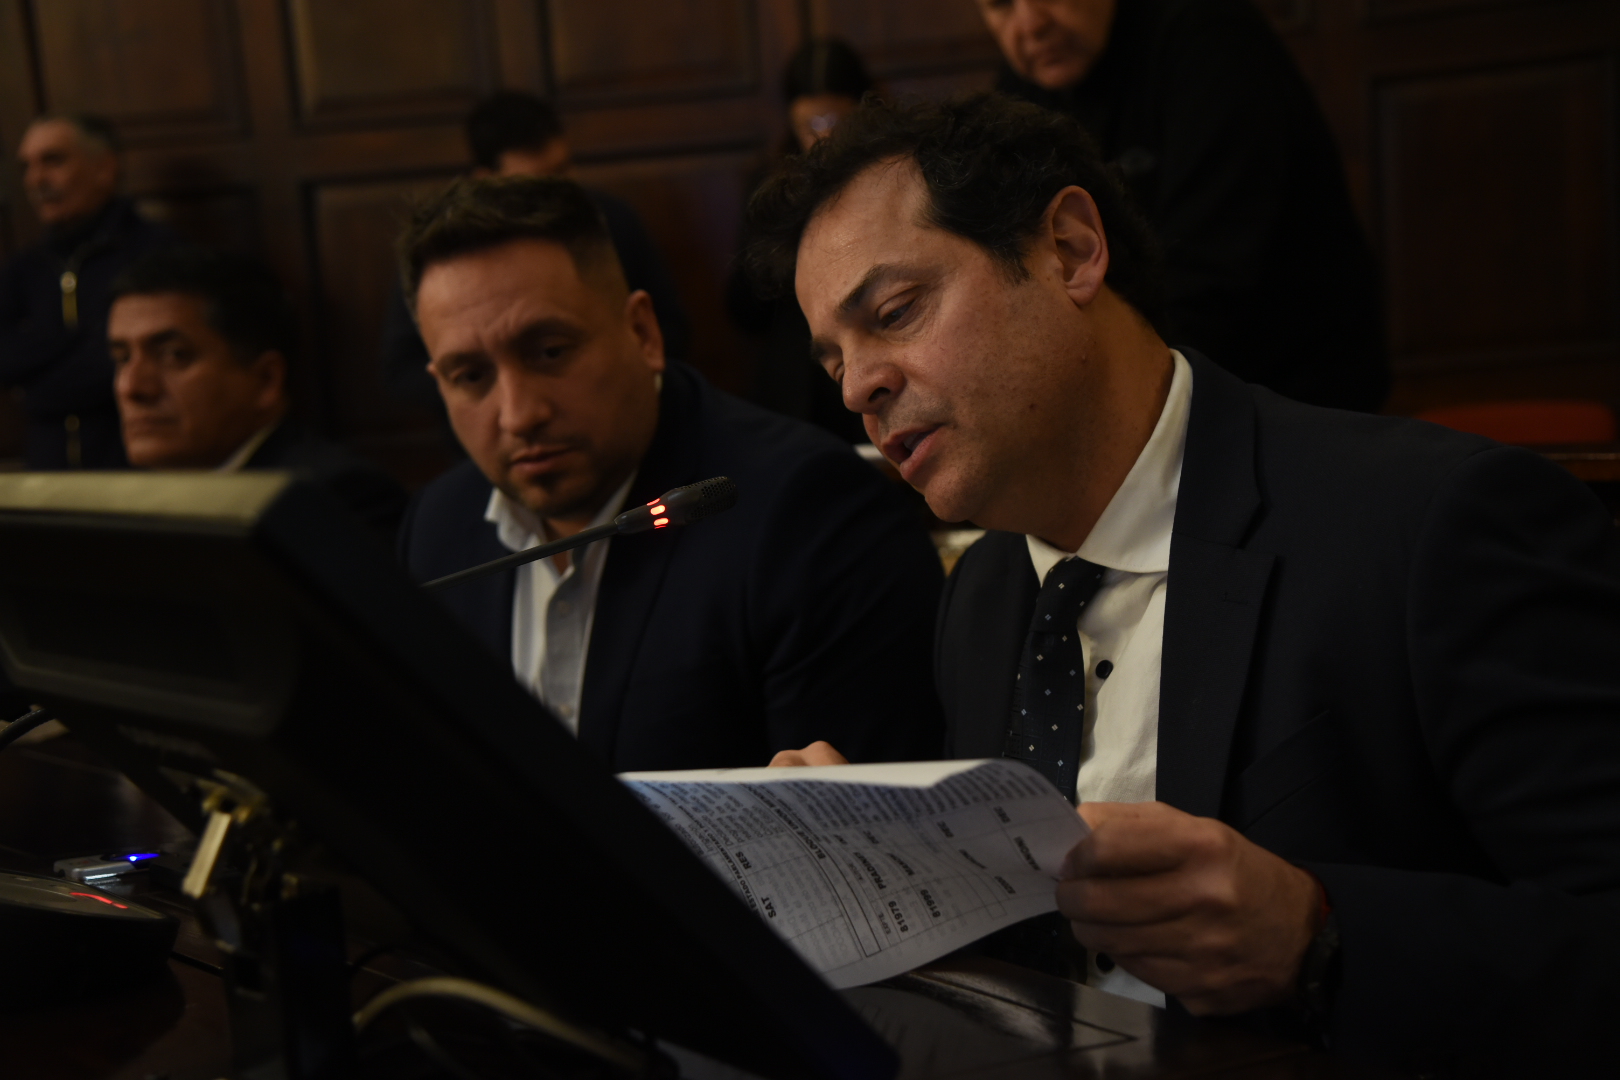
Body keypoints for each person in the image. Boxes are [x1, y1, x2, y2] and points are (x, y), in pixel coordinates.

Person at [746, 93, 1620, 1074]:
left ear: (1071, 250)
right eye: (835, 360)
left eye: (894, 313)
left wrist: (1319, 935)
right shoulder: (982, 592)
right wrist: (875, 881)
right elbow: (1043, 965)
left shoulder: (1434, 523)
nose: (858, 386)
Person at [396, 176, 943, 771]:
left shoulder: (812, 514)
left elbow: (858, 817)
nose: (518, 415)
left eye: (550, 352)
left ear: (643, 332)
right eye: (471, 377)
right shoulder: (436, 532)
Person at [974, 0, 1387, 412]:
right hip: (1163, 370)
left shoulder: (1212, 37)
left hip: (1292, 383)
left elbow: (1212, 274)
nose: (1031, 24)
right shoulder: (1024, 84)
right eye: (1000, 4)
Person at [380, 91, 690, 411]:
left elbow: (670, 326)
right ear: (486, 178)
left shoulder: (613, 220)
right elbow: (402, 371)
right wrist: (475, 379)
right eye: (536, 181)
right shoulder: (444, 251)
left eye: (563, 170)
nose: (557, 192)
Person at [110, 247, 408, 538]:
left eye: (174, 355)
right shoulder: (123, 501)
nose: (131, 387)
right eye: (122, 358)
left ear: (267, 380)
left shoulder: (335, 496)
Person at [0, 113, 174, 468]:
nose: (35, 180)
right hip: (49, 469)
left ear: (104, 168)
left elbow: (125, 367)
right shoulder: (25, 267)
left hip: (134, 467)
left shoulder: (158, 253)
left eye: (53, 161)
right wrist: (81, 339)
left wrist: (35, 390)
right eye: (26, 167)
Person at [726, 39, 873, 443]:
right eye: (811, 125)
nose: (823, 139)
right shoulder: (771, 189)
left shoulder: (887, 180)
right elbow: (745, 310)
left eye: (834, 121)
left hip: (866, 366)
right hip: (796, 388)